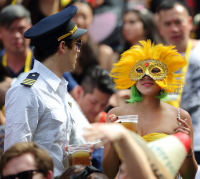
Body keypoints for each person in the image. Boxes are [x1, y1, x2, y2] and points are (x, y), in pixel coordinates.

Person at [4, 5, 88, 177]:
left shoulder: (59, 88)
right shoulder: (27, 90)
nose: (79, 51)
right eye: (77, 44)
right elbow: (15, 156)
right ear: (63, 47)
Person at [102, 40, 198, 179]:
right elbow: (108, 174)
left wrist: (187, 149)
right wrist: (114, 142)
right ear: (132, 76)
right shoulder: (116, 115)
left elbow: (189, 176)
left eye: (155, 70)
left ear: (166, 76)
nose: (146, 75)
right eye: (139, 70)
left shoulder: (180, 117)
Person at [157, 0, 200, 166]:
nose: (173, 29)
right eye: (167, 24)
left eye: (178, 22)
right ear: (160, 28)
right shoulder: (152, 63)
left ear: (190, 23)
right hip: (168, 146)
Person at [0, 4, 34, 78]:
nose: (17, 36)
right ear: (0, 32)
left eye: (21, 29)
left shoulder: (45, 63)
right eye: (10, 29)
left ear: (31, 29)